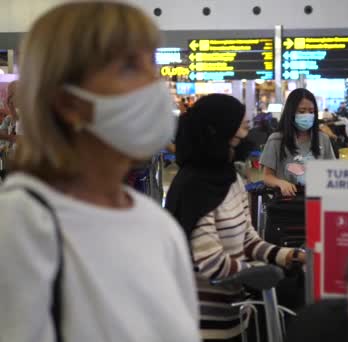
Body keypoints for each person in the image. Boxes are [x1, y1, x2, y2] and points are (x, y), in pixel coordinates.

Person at [0, 2, 199, 342]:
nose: (154, 83)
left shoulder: (157, 225)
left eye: (151, 63)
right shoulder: (23, 224)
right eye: (127, 66)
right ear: (67, 102)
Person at [165, 94, 306, 341]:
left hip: (234, 319)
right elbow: (210, 262)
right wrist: (262, 272)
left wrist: (288, 256)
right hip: (199, 326)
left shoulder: (231, 179)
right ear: (218, 130)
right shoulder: (194, 187)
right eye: (241, 126)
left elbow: (248, 241)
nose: (245, 134)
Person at [261, 88, 335, 196]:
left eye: (311, 111)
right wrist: (280, 183)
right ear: (291, 112)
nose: (307, 115)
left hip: (317, 201)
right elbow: (267, 177)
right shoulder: (276, 140)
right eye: (302, 111)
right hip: (288, 203)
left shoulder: (323, 139)